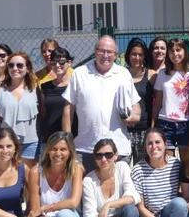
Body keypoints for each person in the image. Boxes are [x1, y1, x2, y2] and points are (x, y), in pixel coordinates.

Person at [63, 36, 141, 173]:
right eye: (101, 51)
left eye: (110, 52)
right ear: (95, 51)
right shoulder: (79, 73)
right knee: (86, 191)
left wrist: (134, 116)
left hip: (118, 149)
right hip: (86, 148)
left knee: (117, 192)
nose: (105, 55)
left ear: (116, 55)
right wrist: (67, 142)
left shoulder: (123, 74)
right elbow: (68, 108)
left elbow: (136, 106)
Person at [27, 131, 83, 217]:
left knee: (66, 215)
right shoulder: (36, 172)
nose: (58, 153)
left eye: (63, 149)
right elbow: (34, 211)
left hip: (68, 216)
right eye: (54, 149)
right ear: (48, 151)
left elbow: (74, 202)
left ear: (70, 152)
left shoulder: (76, 169)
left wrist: (48, 207)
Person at [0, 52, 41, 167]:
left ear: (27, 68)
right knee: (9, 178)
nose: (15, 68)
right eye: (11, 65)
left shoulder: (35, 88)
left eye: (19, 65)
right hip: (6, 143)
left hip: (30, 143)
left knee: (29, 179)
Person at [152, 38, 189, 155]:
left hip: (187, 123)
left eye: (178, 50)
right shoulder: (162, 74)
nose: (175, 54)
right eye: (171, 51)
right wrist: (153, 126)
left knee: (187, 163)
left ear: (185, 51)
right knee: (168, 163)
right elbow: (157, 103)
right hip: (165, 123)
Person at [38, 47, 76, 146]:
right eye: (54, 63)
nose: (57, 66)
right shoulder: (45, 87)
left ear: (69, 63)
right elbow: (43, 112)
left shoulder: (75, 85)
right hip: (50, 138)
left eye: (62, 62)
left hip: (73, 138)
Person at [125, 38, 153, 165]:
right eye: (134, 54)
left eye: (140, 54)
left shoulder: (151, 75)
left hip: (144, 130)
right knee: (122, 168)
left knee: (142, 168)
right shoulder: (121, 75)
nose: (137, 57)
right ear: (128, 55)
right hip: (124, 130)